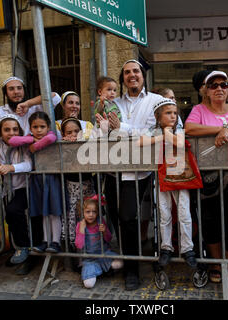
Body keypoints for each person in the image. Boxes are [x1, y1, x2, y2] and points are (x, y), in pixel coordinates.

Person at [184, 71, 228, 287]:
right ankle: (216, 263)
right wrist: (223, 128)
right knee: (210, 221)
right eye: (213, 85)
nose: (219, 88)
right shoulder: (198, 110)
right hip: (208, 175)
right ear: (205, 90)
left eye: (223, 84)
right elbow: (189, 128)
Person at [98, 59, 163, 290]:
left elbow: (153, 131)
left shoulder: (157, 101)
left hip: (139, 172)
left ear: (143, 75)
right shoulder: (112, 101)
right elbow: (103, 133)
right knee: (115, 217)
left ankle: (132, 270)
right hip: (113, 170)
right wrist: (105, 127)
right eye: (127, 72)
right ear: (123, 78)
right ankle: (126, 258)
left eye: (135, 71)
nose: (132, 75)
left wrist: (122, 129)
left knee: (128, 219)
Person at [138, 98, 196, 268]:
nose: (173, 116)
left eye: (175, 113)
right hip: (162, 177)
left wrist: (166, 134)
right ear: (157, 116)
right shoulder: (153, 130)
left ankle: (187, 248)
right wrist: (162, 136)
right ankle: (166, 247)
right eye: (168, 113)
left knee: (184, 212)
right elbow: (140, 141)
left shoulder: (179, 129)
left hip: (180, 176)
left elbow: (178, 143)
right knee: (164, 213)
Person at [8, 111, 63, 253]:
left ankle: (56, 241)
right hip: (37, 180)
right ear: (30, 128)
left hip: (52, 179)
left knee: (53, 211)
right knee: (44, 211)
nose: (39, 130)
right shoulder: (30, 137)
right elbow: (13, 141)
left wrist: (35, 146)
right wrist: (31, 140)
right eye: (35, 127)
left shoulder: (52, 135)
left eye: (42, 127)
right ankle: (46, 240)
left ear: (48, 127)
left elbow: (51, 138)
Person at [0, 76, 61, 166]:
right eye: (11, 89)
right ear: (6, 93)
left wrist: (28, 103)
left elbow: (55, 97)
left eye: (19, 88)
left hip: (38, 159)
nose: (16, 92)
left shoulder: (34, 107)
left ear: (24, 90)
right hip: (12, 161)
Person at [0, 114, 33, 264]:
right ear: (0, 132)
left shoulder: (24, 145)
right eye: (7, 130)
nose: (11, 133)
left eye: (15, 129)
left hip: (25, 187)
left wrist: (11, 167)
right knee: (10, 216)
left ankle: (24, 246)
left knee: (14, 210)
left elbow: (29, 165)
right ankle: (18, 247)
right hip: (8, 189)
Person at [60, 118, 94, 250]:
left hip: (88, 190)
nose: (74, 135)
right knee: (74, 218)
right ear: (63, 135)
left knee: (89, 216)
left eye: (76, 131)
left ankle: (92, 246)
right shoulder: (62, 146)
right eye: (69, 132)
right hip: (72, 192)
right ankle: (75, 248)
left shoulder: (86, 145)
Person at [75, 196, 123, 288]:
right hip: (89, 259)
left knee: (120, 263)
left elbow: (109, 239)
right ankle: (101, 270)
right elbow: (79, 245)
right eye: (88, 212)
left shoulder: (100, 221)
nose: (91, 215)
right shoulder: (80, 225)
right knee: (88, 284)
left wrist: (105, 231)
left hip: (104, 254)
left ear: (98, 212)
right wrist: (81, 230)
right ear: (82, 212)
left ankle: (98, 270)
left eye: (94, 212)